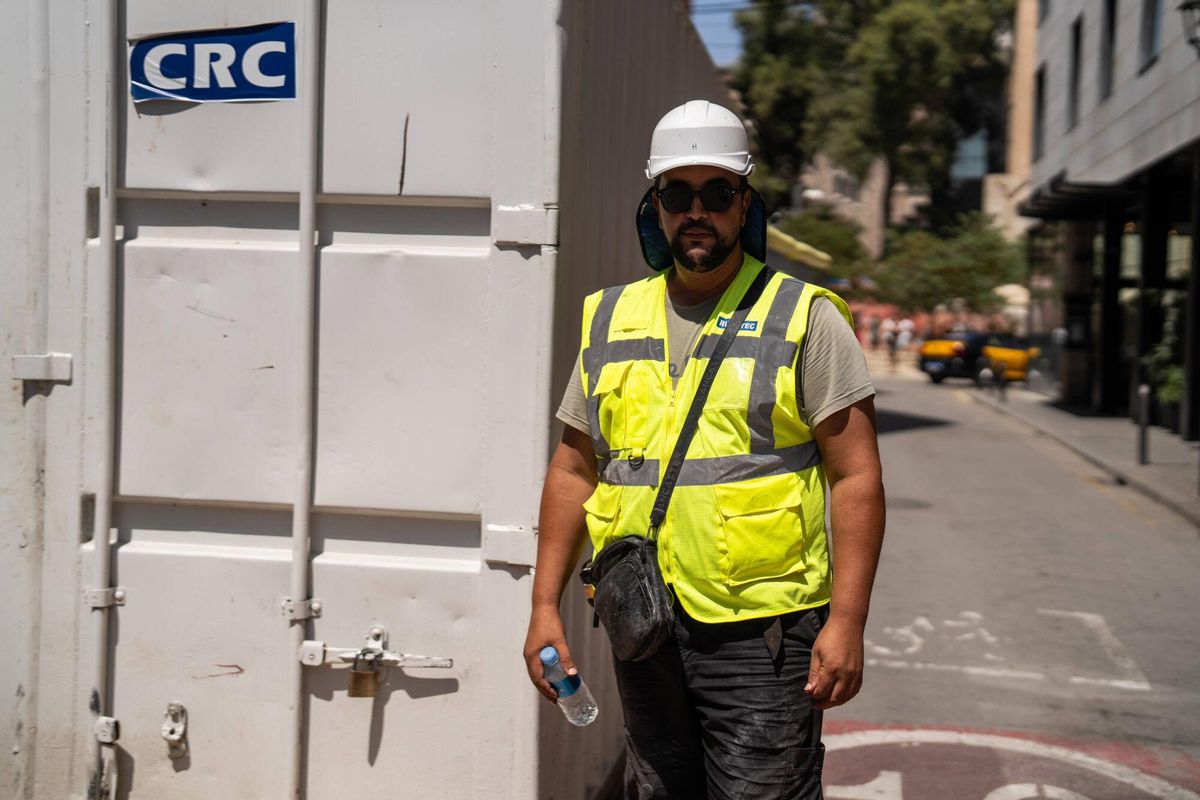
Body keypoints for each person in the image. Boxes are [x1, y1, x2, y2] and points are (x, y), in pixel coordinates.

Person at [523, 100, 886, 800]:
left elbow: (857, 476)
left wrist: (847, 621)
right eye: (677, 193)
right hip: (642, 620)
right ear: (654, 205)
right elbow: (574, 468)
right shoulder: (610, 317)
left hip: (764, 636)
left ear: (744, 204)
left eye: (717, 193)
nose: (697, 211)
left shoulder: (805, 316)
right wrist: (543, 607)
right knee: (659, 791)